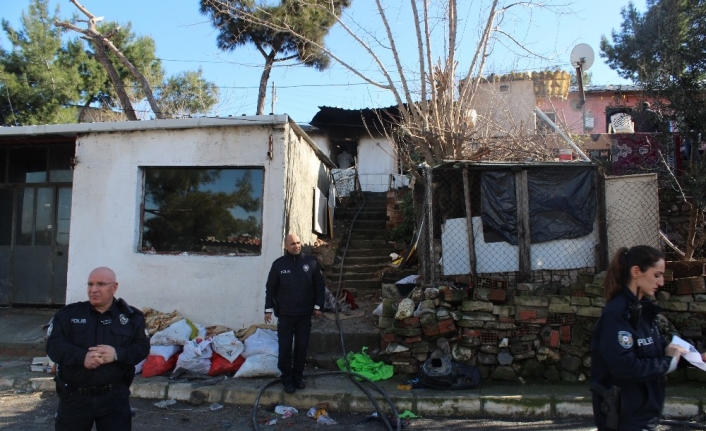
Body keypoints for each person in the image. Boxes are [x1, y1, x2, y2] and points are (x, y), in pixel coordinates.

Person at [590, 246, 688, 431]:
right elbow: (624, 366)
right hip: (624, 417)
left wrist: (691, 357)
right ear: (636, 271)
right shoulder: (616, 314)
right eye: (657, 275)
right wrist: (668, 364)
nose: (661, 282)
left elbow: (654, 352)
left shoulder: (643, 310)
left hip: (642, 414)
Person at [46, 267, 150, 431]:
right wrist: (82, 357)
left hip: (114, 399)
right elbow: (53, 346)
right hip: (74, 398)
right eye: (90, 284)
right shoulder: (68, 315)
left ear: (114, 287)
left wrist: (117, 354)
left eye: (100, 284)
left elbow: (142, 348)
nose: (93, 290)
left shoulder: (131, 318)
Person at [264, 233, 325, 393]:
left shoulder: (310, 263)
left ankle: (298, 377)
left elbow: (319, 285)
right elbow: (271, 288)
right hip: (285, 314)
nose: (296, 246)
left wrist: (318, 306)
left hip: (304, 315)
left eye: (298, 243)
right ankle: (287, 379)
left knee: (301, 347)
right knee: (284, 348)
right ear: (286, 246)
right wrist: (268, 309)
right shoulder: (278, 265)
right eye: (292, 244)